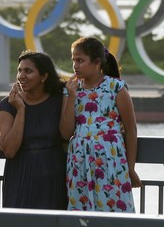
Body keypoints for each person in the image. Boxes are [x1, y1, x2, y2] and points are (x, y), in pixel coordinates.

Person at [60, 36, 142, 212]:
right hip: (79, 162)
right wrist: (71, 97)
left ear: (97, 63)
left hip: (111, 161)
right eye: (74, 60)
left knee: (114, 210)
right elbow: (66, 133)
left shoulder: (116, 88)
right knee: (81, 213)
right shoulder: (71, 90)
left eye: (81, 60)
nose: (75, 65)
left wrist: (131, 168)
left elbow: (131, 130)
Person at [0, 51, 67, 209]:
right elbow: (9, 150)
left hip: (54, 174)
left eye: (28, 71)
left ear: (44, 76)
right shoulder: (9, 104)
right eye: (19, 70)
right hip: (20, 175)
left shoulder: (60, 100)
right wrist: (21, 110)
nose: (21, 75)